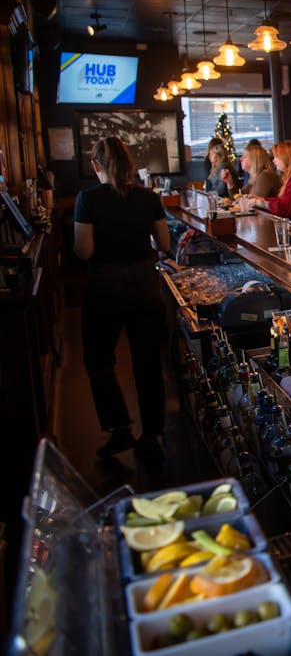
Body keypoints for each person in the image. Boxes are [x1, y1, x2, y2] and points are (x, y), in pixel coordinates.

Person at [74, 137, 171, 462]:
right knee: (147, 360)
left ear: (95, 166)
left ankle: (119, 430)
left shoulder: (87, 199)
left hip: (105, 284)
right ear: (129, 164)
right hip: (144, 281)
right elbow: (163, 244)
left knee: (100, 360)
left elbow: (84, 251)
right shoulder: (148, 197)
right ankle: (153, 434)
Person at [244, 140, 291, 226]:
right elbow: (282, 201)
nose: (273, 161)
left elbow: (283, 209)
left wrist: (257, 202)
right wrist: (261, 199)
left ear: (286, 158)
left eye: (276, 157)